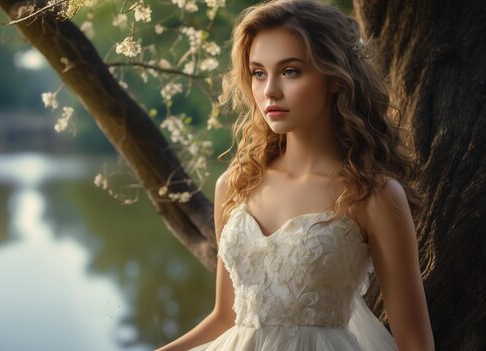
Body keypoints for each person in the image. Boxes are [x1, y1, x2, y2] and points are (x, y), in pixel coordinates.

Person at [155, 0, 435, 350]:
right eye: (259, 73)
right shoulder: (235, 185)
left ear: (334, 77)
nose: (270, 90)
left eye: (290, 71)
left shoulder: (372, 194)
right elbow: (226, 318)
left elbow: (414, 342)